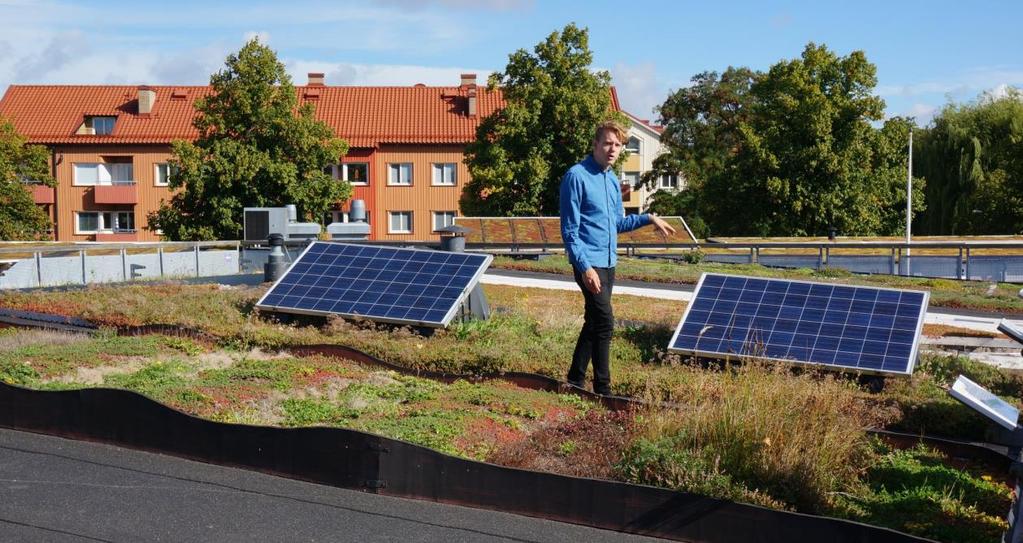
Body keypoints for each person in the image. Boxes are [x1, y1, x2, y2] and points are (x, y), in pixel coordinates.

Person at [559, 120, 676, 395]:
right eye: (608, 143)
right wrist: (585, 268)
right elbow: (569, 231)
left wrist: (649, 218)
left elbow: (617, 225)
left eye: (618, 144)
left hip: (609, 263)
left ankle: (575, 379)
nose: (613, 149)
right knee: (606, 322)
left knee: (594, 321)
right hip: (589, 262)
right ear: (595, 145)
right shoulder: (576, 176)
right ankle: (603, 388)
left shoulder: (612, 180)